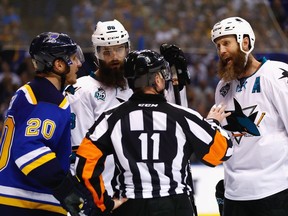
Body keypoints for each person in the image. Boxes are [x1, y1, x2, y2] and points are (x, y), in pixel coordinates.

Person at [75, 49, 233, 216]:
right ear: (157, 79)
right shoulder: (183, 116)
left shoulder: (111, 118)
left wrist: (103, 203)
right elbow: (219, 154)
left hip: (130, 205)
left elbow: (84, 164)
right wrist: (213, 123)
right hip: (174, 204)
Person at [0, 32, 95, 216]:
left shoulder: (30, 91)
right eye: (73, 59)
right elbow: (28, 149)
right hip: (26, 202)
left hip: (12, 197)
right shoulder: (49, 99)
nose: (79, 64)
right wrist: (68, 191)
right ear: (59, 65)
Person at [211, 16, 288, 216]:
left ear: (245, 42)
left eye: (226, 43)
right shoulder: (223, 87)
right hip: (234, 195)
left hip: (276, 191)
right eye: (218, 46)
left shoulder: (277, 75)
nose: (221, 51)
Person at [65, 19, 133, 196]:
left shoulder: (136, 86)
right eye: (107, 52)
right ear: (97, 54)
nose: (115, 57)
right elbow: (80, 153)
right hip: (101, 194)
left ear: (127, 49)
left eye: (119, 49)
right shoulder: (81, 91)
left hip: (133, 194)